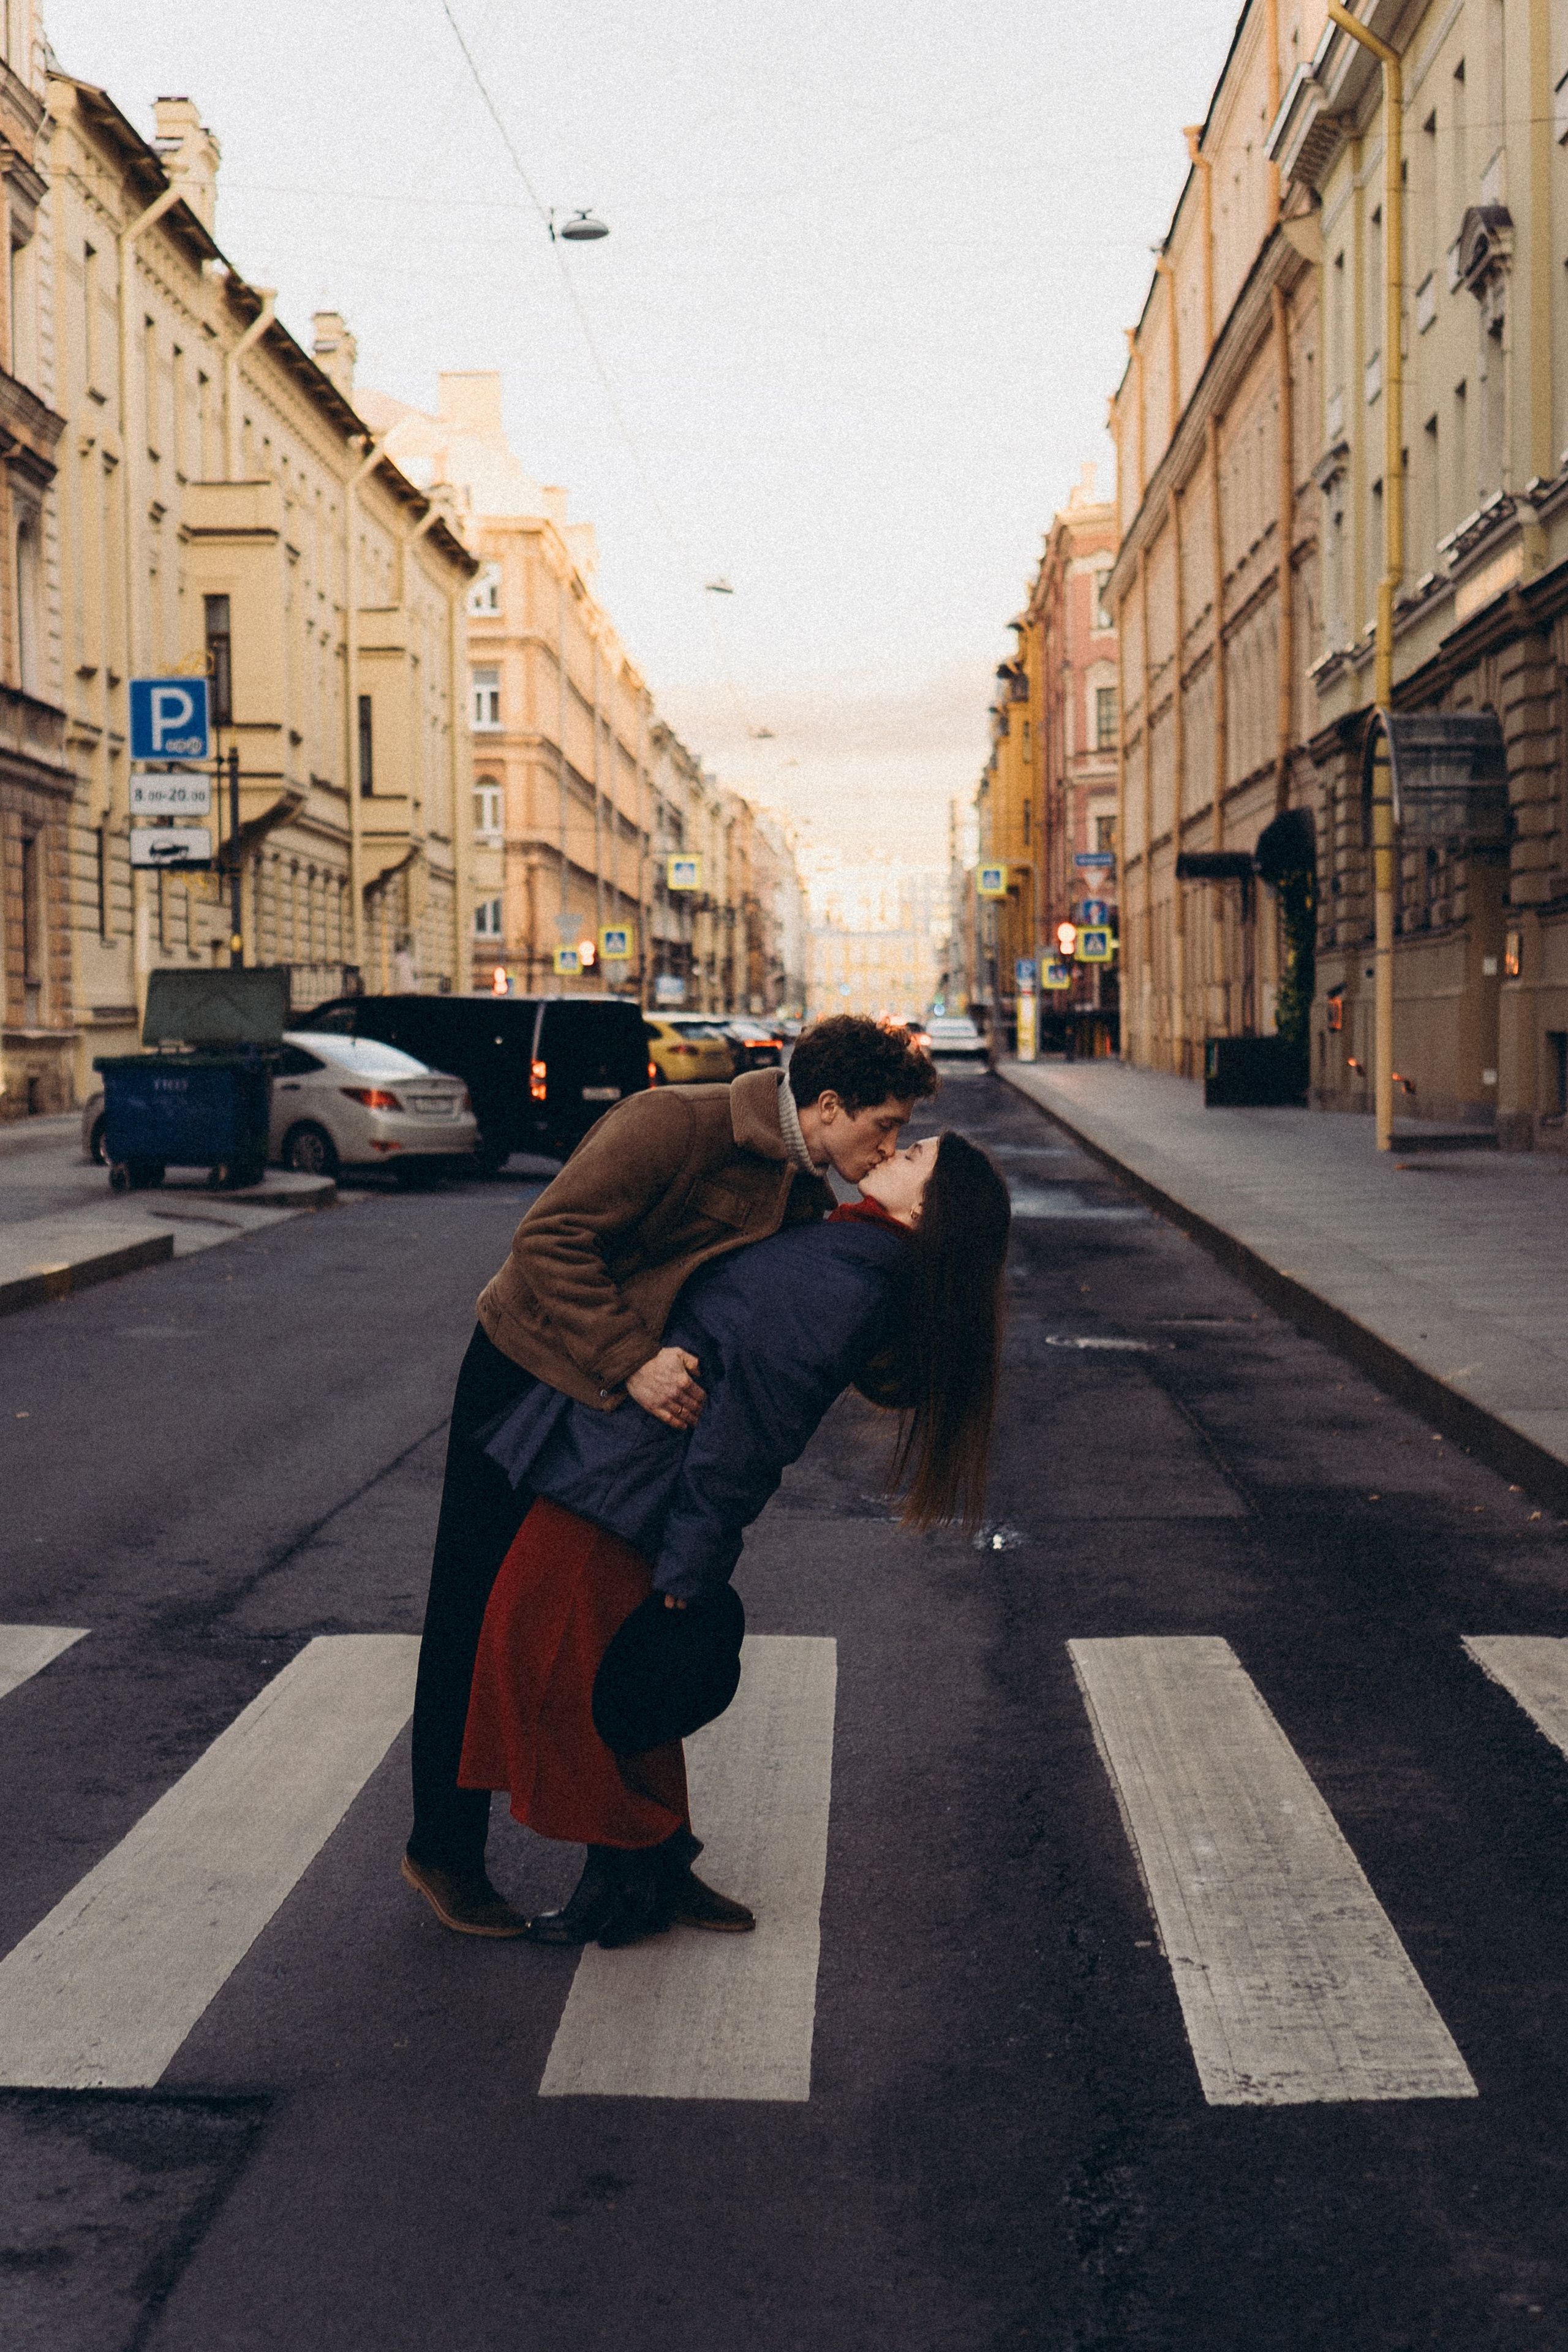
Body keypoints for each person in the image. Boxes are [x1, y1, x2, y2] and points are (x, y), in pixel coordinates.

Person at [402, 1015, 940, 1936]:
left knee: (629, 1637)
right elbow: (549, 1241)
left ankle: (653, 1858)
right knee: (474, 1612)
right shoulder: (673, 1124)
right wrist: (634, 1360)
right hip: (528, 1372)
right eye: (881, 1127)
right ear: (827, 1105)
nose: (887, 1146)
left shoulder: (801, 1186)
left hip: (620, 1420)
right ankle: (444, 1853)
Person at [458, 1128, 1013, 1948]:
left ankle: (626, 1867)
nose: (897, 1147)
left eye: (915, 1153)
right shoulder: (854, 1248)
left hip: (627, 1485)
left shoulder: (848, 1284)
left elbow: (746, 1437)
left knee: (543, 1665)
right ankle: (663, 1857)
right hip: (629, 1472)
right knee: (607, 1673)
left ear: (928, 1208)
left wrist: (692, 1564)